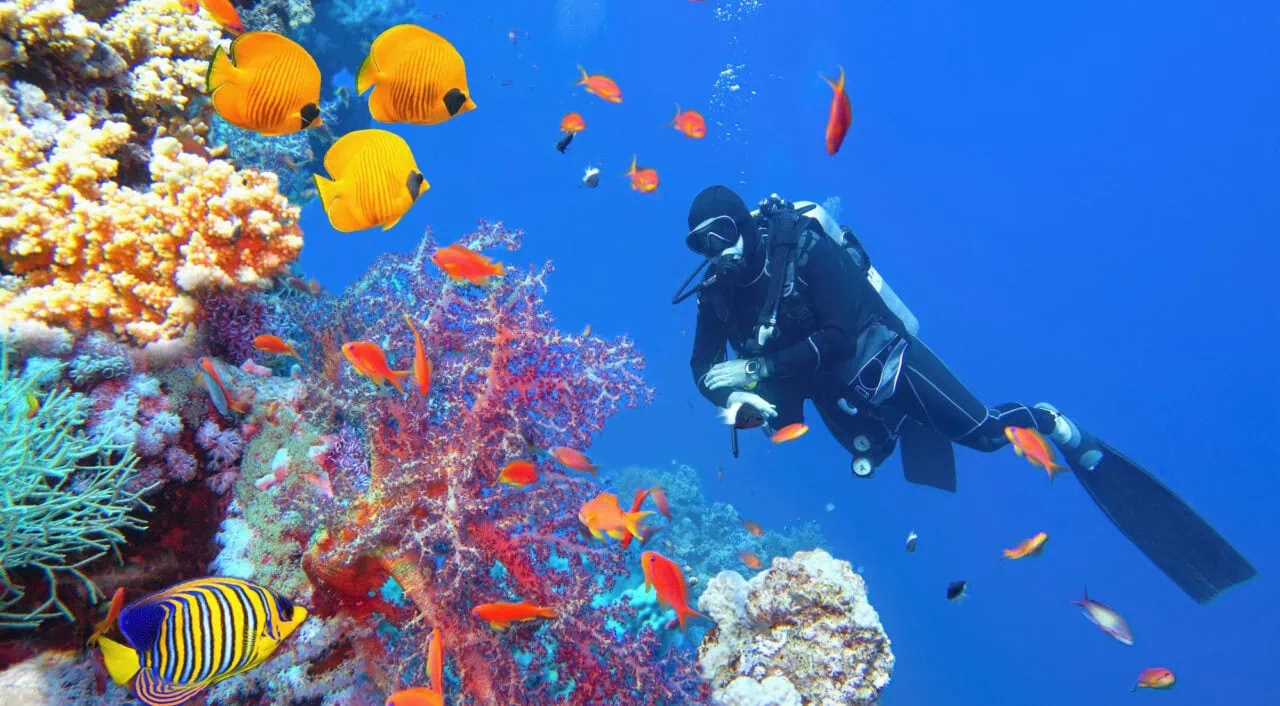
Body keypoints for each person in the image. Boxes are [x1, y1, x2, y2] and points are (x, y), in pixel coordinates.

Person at [674, 185, 1256, 604]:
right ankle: (899, 426)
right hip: (828, 387)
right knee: (868, 458)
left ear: (744, 225)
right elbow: (703, 366)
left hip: (883, 359)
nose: (715, 253)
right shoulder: (717, 293)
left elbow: (840, 333)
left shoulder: (803, 250)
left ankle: (1049, 421)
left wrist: (757, 364)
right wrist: (737, 402)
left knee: (980, 437)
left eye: (722, 235)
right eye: (701, 245)